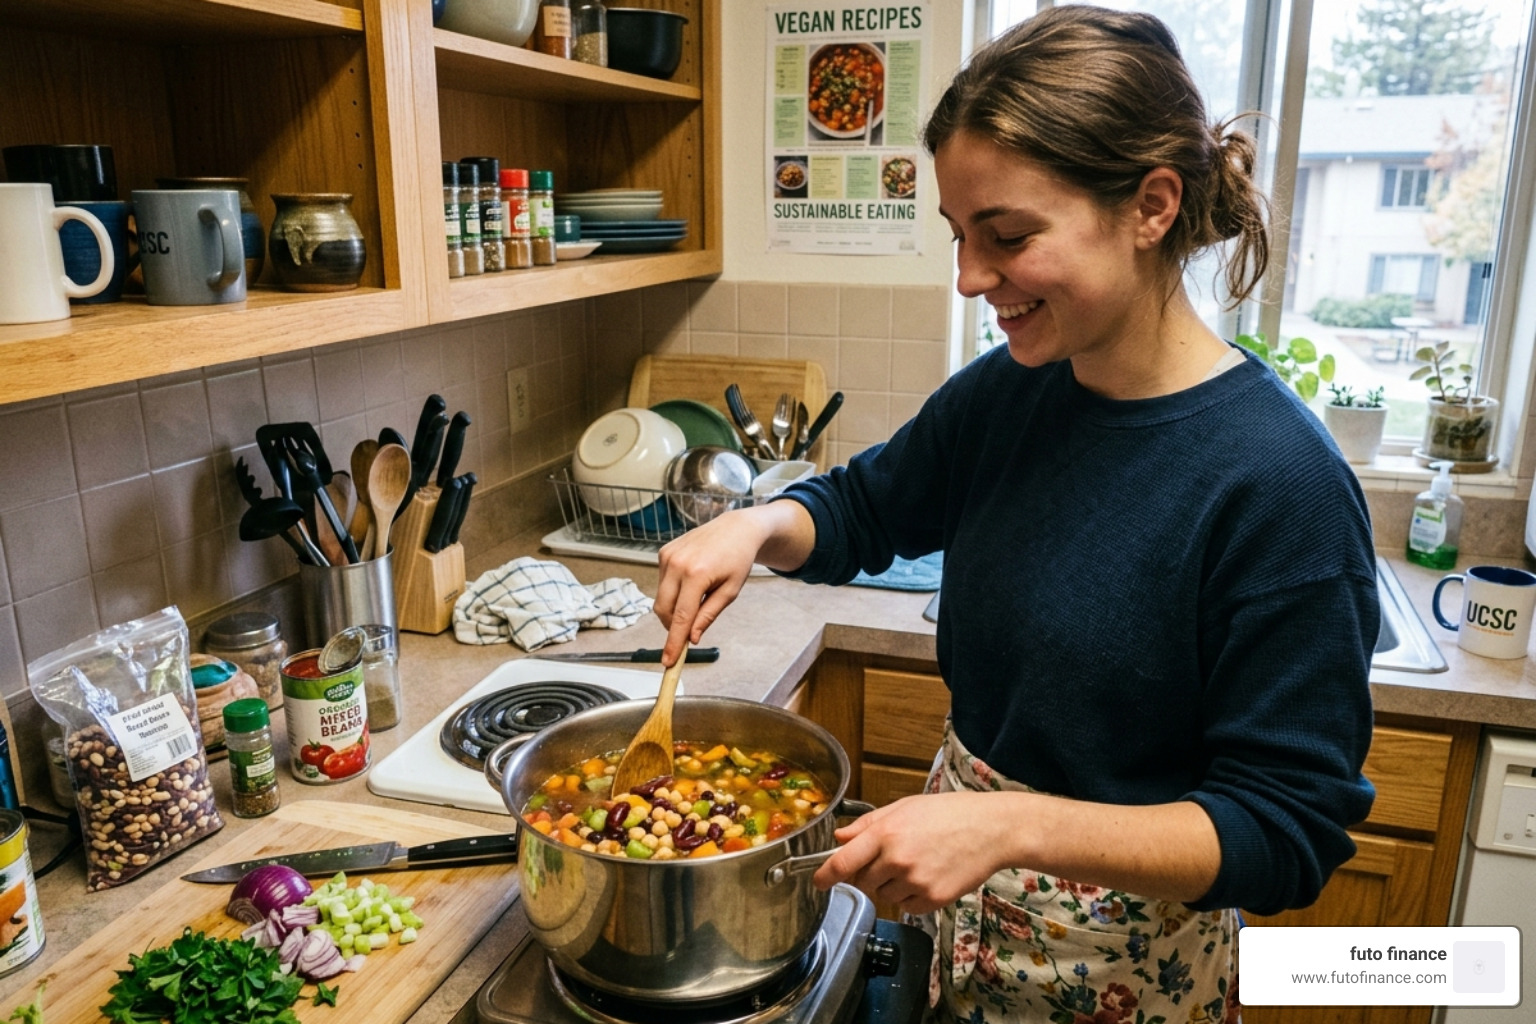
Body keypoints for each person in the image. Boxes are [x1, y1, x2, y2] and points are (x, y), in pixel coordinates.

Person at [654, 6, 1378, 1022]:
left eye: (1007, 237)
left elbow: (1287, 830)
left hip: (1129, 968)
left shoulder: (1280, 485)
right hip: (956, 929)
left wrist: (1009, 828)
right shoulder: (1011, 390)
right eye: (959, 237)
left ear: (1153, 205)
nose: (969, 279)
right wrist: (757, 525)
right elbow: (866, 505)